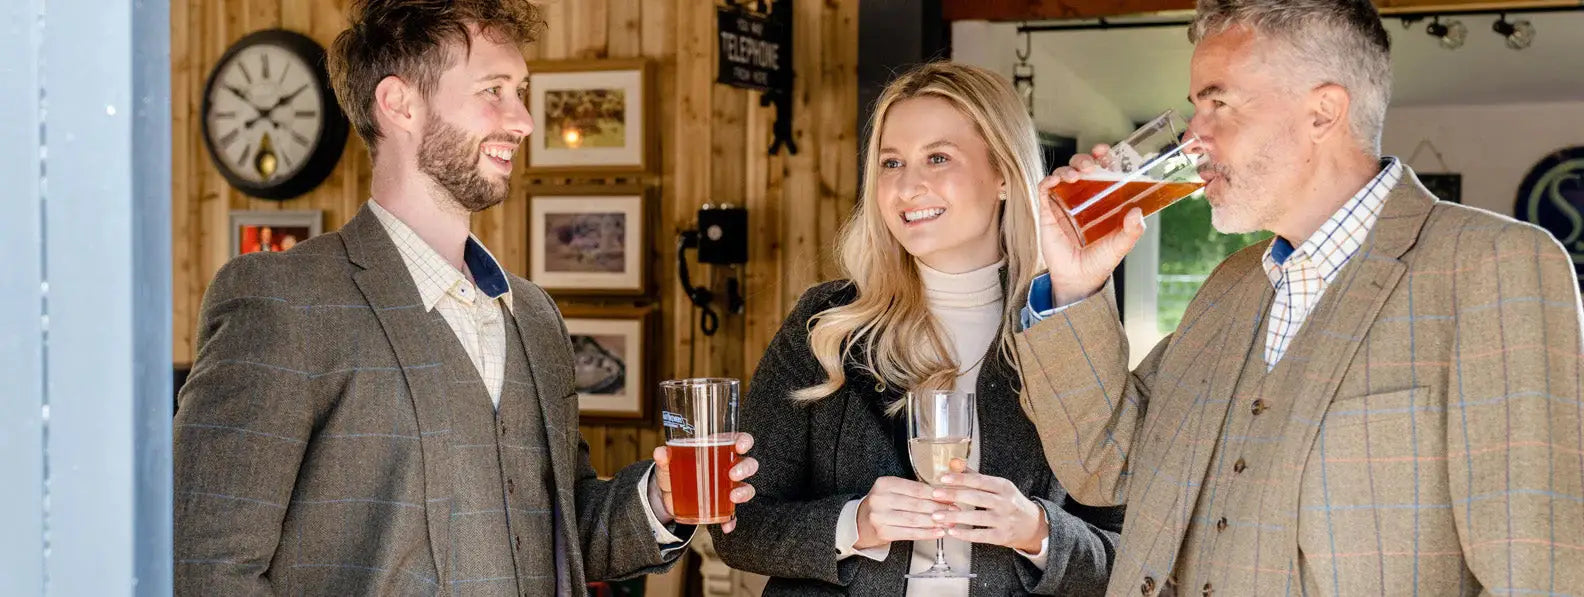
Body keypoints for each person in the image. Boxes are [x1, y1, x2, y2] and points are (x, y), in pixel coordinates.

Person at [172, 2, 760, 595]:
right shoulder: (281, 301)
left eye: (521, 91)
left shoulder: (533, 316)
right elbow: (206, 566)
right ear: (400, 104)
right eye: (494, 91)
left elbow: (560, 534)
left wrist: (658, 502)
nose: (524, 120)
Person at [1016, 1, 1584, 595]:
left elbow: (1536, 571)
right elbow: (1108, 466)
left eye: (1219, 104)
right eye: (1193, 110)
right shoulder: (1227, 289)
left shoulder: (1494, 265)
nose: (1192, 138)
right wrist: (1075, 284)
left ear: (1323, 112)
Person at [710, 62, 1123, 596]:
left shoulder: (1065, 329)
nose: (907, 186)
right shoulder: (825, 324)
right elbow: (739, 526)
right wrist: (853, 523)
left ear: (1003, 175)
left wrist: (1038, 532)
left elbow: (1130, 553)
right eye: (891, 163)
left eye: (938, 157)